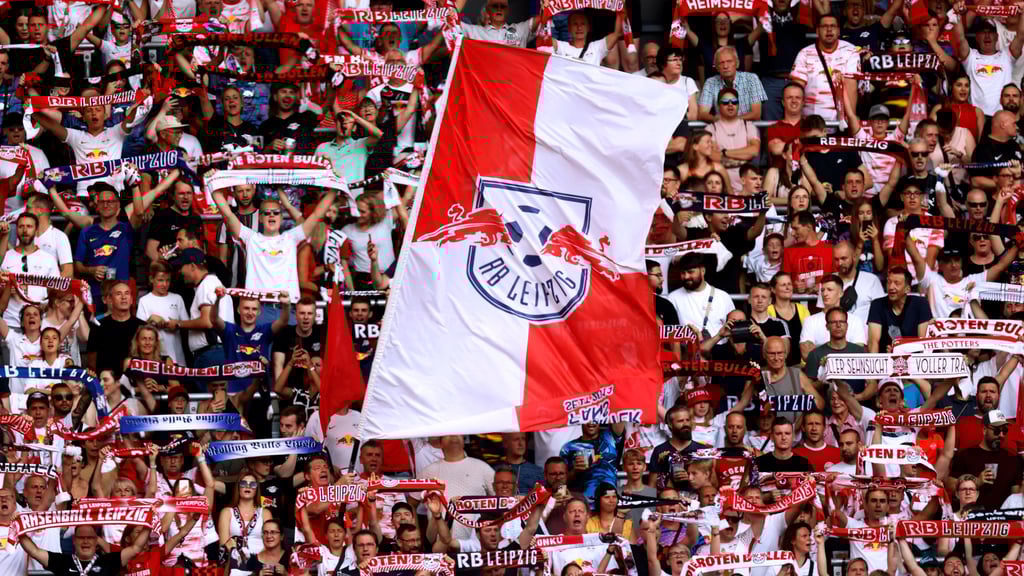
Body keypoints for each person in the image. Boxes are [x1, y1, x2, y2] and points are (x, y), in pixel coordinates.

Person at [211, 183, 337, 318]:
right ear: (260, 218)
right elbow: (228, 214)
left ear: (281, 218)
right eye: (267, 213)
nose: (271, 215)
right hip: (259, 310)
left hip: (288, 309)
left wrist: (335, 187)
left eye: (276, 212)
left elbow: (317, 214)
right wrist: (212, 183)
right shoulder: (251, 239)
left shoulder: (291, 238)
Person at [171, 248, 235, 370]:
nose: (180, 271)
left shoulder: (206, 284)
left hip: (211, 353)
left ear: (192, 266)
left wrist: (178, 324)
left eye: (181, 267)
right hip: (218, 351)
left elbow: (207, 322)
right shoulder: (213, 282)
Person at [953, 10, 1024, 116]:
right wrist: (957, 13)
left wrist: (1023, 12)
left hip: (1002, 116)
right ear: (977, 37)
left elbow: (1021, 36)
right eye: (983, 32)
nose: (987, 36)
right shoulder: (971, 57)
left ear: (997, 37)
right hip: (977, 116)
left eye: (990, 32)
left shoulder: (1007, 56)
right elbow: (960, 38)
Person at [790, 14, 860, 121]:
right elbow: (796, 89)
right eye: (824, 26)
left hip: (840, 122)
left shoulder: (850, 51)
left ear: (839, 31)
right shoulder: (804, 53)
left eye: (833, 26)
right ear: (817, 31)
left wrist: (849, 120)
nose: (829, 29)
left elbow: (851, 86)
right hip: (811, 123)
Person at [949, 409, 1022, 510]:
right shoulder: (966, 456)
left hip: (1002, 517)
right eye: (996, 431)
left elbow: (1015, 497)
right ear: (984, 430)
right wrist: (976, 482)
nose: (1001, 435)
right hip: (972, 515)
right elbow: (951, 486)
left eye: (1004, 431)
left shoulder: (1012, 459)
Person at [20, 523, 151, 576]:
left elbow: (136, 548)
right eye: (81, 538)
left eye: (90, 537)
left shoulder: (108, 561)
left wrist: (148, 523)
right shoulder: (62, 561)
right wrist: (18, 530)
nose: (86, 541)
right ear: (74, 540)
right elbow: (34, 551)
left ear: (96, 541)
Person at [666, 251, 734, 340]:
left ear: (702, 271)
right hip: (687, 347)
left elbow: (733, 329)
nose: (686, 276)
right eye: (683, 273)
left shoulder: (722, 296)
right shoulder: (672, 298)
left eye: (690, 272)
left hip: (720, 347)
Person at [867, 267, 933, 353]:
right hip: (886, 358)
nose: (891, 287)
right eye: (889, 282)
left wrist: (901, 350)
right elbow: (873, 342)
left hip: (915, 358)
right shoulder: (877, 305)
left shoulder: (920, 304)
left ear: (907, 289)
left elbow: (923, 343)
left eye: (896, 283)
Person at [697, 46, 766, 121]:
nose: (725, 66)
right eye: (721, 63)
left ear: (737, 63)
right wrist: (716, 119)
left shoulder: (752, 79)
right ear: (716, 67)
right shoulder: (710, 83)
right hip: (722, 126)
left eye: (729, 61)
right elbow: (702, 114)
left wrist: (730, 120)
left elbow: (756, 114)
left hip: (747, 126)